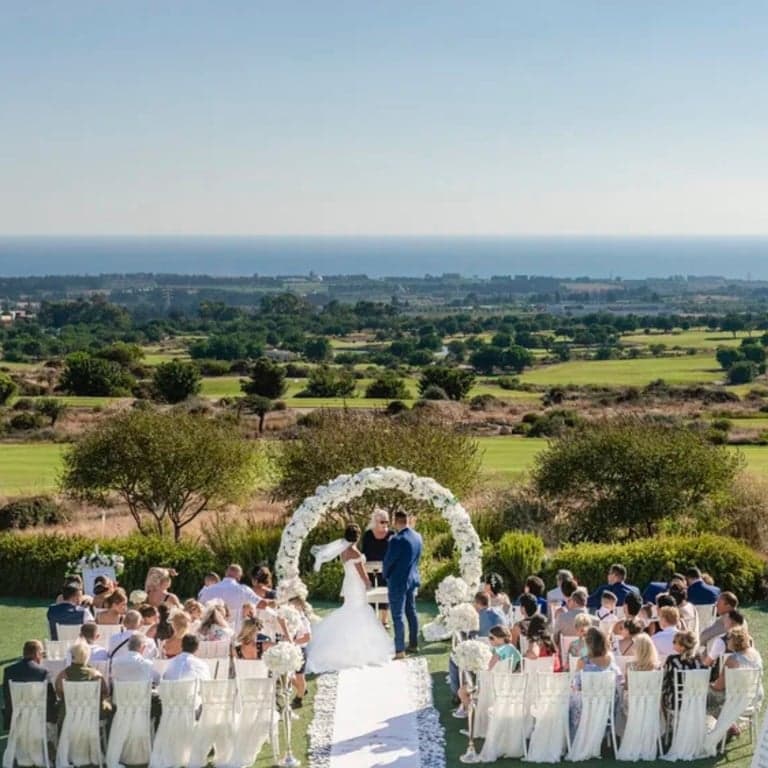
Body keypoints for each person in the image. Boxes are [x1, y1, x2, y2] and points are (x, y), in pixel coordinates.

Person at [305, 524, 393, 673]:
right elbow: (362, 573)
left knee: (350, 609)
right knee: (359, 611)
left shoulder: (343, 550)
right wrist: (368, 583)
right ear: (357, 537)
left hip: (348, 583)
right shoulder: (355, 553)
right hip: (357, 585)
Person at [383, 511, 423, 659]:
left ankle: (399, 650)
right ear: (407, 520)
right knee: (411, 611)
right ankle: (413, 644)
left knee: (397, 615)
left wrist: (385, 575)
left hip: (397, 581)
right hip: (412, 579)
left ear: (396, 521)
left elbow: (388, 562)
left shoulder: (397, 540)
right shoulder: (417, 537)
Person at [455, 625, 521, 715]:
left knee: (462, 692)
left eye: (491, 638)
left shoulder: (499, 651)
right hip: (507, 685)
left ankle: (474, 715)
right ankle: (471, 711)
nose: (489, 640)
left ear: (501, 638)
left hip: (493, 686)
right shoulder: (511, 648)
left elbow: (488, 668)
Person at [569, 628, 622, 735]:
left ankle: (575, 736)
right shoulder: (610, 659)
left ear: (588, 644)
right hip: (606, 707)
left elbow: (576, 685)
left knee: (568, 703)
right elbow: (619, 679)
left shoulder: (583, 661)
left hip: (587, 707)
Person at [708, 627, 763, 716]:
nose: (727, 641)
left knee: (705, 700)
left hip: (735, 705)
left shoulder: (732, 660)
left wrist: (708, 686)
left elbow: (718, 687)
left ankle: (729, 726)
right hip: (755, 701)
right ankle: (731, 726)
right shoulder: (756, 655)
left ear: (734, 641)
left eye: (729, 638)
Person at [2, 640, 56, 730]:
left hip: (16, 715)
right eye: (42, 653)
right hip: (38, 715)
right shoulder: (43, 672)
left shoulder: (9, 670)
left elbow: (7, 695)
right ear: (37, 653)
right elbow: (51, 697)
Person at [54, 642, 110, 721]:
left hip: (68, 714)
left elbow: (59, 693)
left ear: (72, 656)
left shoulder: (62, 675)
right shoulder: (96, 675)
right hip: (93, 714)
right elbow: (105, 693)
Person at [198, 564, 261, 633]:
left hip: (211, 634)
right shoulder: (243, 590)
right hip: (234, 633)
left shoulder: (208, 590)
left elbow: (199, 609)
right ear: (239, 577)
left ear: (226, 574)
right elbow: (261, 603)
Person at [361, 509, 394, 628]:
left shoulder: (391, 534)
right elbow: (363, 552)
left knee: (385, 593)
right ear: (375, 521)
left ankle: (384, 620)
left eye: (387, 522)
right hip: (369, 566)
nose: (385, 524)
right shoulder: (368, 534)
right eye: (382, 522)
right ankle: (371, 620)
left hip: (386, 567)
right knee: (370, 592)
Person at [661, 630, 703, 714]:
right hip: (696, 701)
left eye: (674, 642)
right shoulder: (698, 660)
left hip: (676, 702)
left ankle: (666, 724)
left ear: (682, 647)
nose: (672, 643)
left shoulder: (672, 660)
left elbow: (664, 681)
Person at [288, 596, 312, 709]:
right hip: (292, 648)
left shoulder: (303, 620)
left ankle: (299, 699)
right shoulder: (291, 618)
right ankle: (302, 689)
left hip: (300, 650)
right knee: (287, 675)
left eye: (293, 605)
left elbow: (307, 637)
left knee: (299, 676)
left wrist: (294, 642)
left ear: (300, 606)